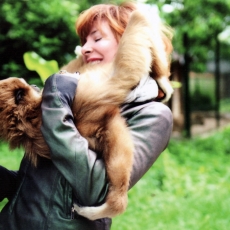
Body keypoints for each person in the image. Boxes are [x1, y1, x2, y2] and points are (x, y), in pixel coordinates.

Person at [0, 2, 173, 230]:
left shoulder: (152, 114)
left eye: (97, 38)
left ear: (130, 41)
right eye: (84, 42)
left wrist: (58, 105)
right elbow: (45, 185)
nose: (85, 48)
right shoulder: (70, 93)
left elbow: (97, 191)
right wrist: (8, 182)